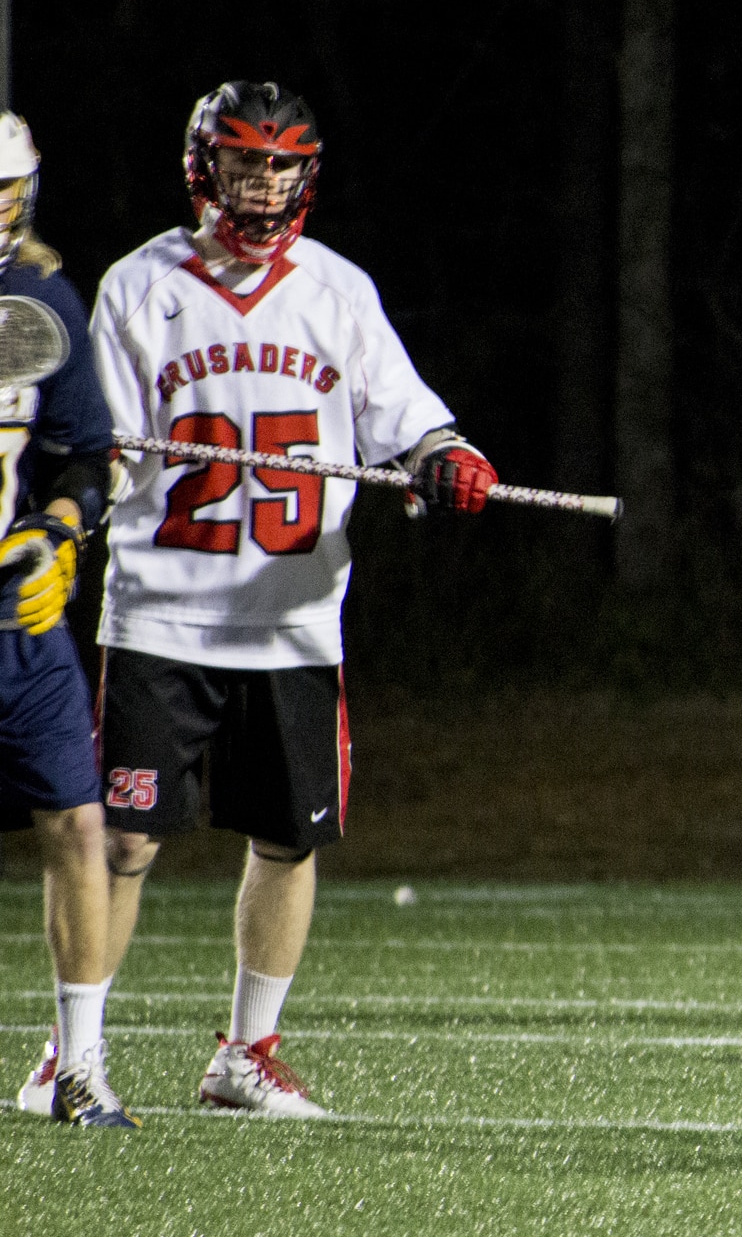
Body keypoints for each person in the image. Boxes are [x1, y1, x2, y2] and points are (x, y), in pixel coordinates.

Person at [43, 81, 500, 1120]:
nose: (265, 184)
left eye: (282, 165)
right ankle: (73, 1055)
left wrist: (447, 459)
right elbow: (98, 446)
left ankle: (245, 1055)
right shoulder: (139, 286)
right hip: (162, 609)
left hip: (294, 616)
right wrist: (90, 477)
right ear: (205, 167)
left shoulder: (338, 290)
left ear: (307, 174)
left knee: (289, 838)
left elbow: (412, 420)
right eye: (247, 163)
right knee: (123, 840)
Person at [0, 113, 133, 1127]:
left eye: (9, 192)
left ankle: (79, 1067)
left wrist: (59, 525)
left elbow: (89, 455)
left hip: (16, 615)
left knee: (80, 823)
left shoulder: (38, 298)